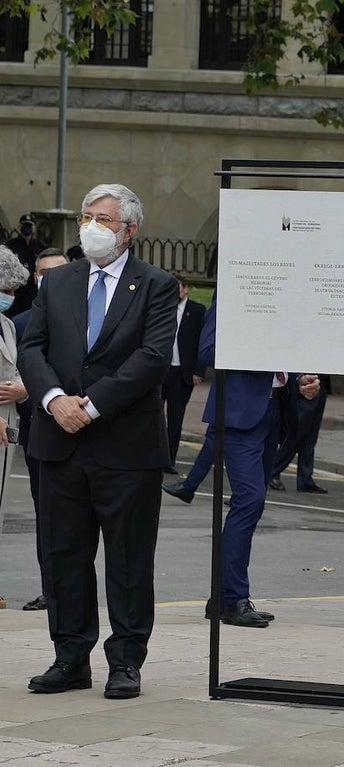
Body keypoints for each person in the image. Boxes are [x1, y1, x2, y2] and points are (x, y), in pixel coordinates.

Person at [18, 184, 178, 700]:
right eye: (87, 216)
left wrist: (89, 405)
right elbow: (32, 347)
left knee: (129, 559)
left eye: (104, 219)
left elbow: (151, 359)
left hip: (125, 447)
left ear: (130, 229)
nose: (91, 226)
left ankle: (126, 660)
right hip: (57, 441)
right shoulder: (59, 282)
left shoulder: (155, 284)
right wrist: (53, 399)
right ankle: (70, 657)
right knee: (62, 555)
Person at [196, 292, 321, 627]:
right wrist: (260, 354)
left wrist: (299, 380)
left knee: (251, 504)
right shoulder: (231, 295)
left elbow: (282, 364)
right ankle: (234, 598)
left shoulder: (282, 301)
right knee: (249, 501)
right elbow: (207, 351)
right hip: (238, 416)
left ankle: (221, 597)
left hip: (273, 412)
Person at [11, 248, 68, 612]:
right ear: (35, 278)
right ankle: (51, 589)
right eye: (44, 272)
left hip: (82, 428)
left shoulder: (90, 319)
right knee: (46, 515)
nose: (50, 279)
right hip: (38, 435)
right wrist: (24, 393)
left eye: (58, 272)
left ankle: (73, 590)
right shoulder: (19, 324)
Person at [0, 246, 30, 610]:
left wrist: (24, 388)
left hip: (9, 421)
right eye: (4, 288)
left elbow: (16, 370)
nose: (9, 296)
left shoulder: (8, 324)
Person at [161, 274, 206, 474]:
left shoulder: (197, 311)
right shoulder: (161, 307)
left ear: (185, 289)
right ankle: (152, 455)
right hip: (160, 371)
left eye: (176, 288)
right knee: (153, 416)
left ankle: (169, 459)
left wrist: (198, 370)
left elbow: (201, 342)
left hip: (182, 373)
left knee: (176, 417)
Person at [268, 374, 331, 493]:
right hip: (304, 380)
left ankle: (305, 479)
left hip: (321, 380)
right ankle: (272, 471)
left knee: (310, 436)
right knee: (296, 433)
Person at [5, 214, 45, 318]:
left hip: (33, 293)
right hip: (17, 293)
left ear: (34, 228)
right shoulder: (10, 246)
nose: (27, 228)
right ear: (19, 227)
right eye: (24, 225)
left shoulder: (40, 247)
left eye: (29, 225)